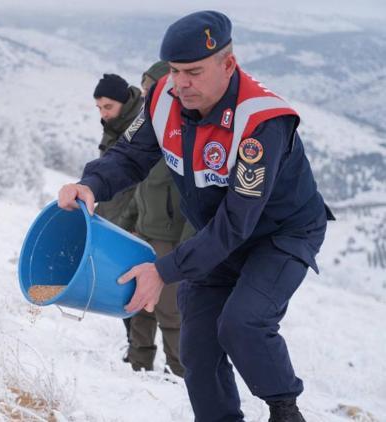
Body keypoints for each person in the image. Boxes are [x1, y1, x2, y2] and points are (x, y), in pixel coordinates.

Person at [58, 11, 334, 422]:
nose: (181, 83)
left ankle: (284, 409)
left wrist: (164, 269)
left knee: (242, 324)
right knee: (198, 345)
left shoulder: (261, 122)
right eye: (174, 70)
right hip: (216, 234)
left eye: (193, 72)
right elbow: (131, 156)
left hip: (279, 235)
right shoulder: (163, 98)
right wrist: (91, 185)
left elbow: (237, 223)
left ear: (228, 64)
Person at [92, 68, 190, 377]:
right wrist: (126, 225)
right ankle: (138, 366)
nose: (150, 100)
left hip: (170, 238)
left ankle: (180, 372)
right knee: (138, 305)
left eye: (153, 93)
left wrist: (187, 252)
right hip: (142, 231)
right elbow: (141, 190)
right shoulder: (147, 135)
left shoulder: (179, 138)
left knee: (170, 311)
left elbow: (193, 202)